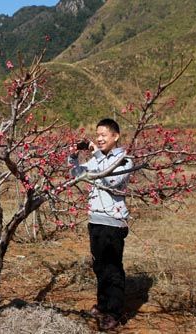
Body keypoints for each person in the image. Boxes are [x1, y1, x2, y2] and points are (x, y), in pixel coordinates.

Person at [68, 118, 133, 330]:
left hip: (113, 222)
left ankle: (114, 312)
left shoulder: (124, 159)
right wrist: (73, 156)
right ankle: (103, 305)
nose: (99, 138)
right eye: (97, 135)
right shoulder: (97, 160)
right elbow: (77, 174)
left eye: (104, 134)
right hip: (95, 220)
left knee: (113, 268)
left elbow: (112, 180)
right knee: (99, 266)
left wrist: (96, 154)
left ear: (116, 136)